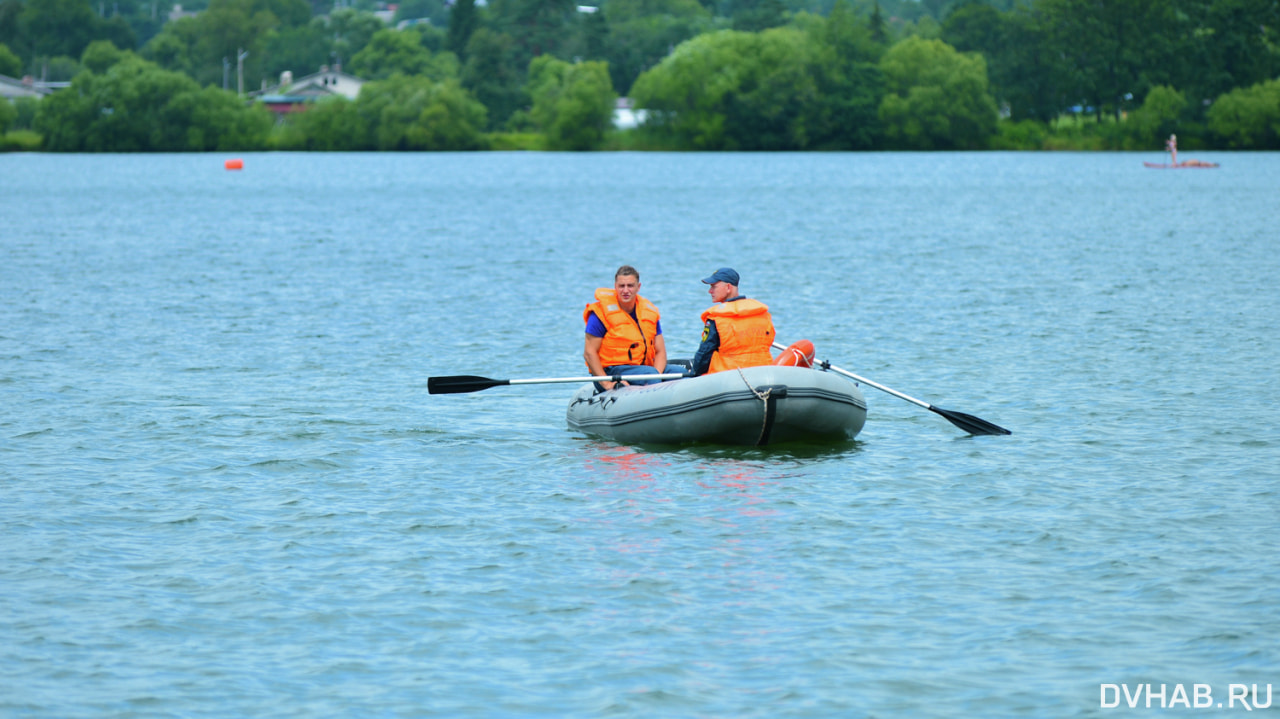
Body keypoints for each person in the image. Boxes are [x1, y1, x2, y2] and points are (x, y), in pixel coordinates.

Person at [583, 265, 668, 391]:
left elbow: (660, 351)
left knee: (681, 373)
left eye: (630, 286)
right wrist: (607, 384)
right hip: (611, 371)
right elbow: (589, 353)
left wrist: (657, 375)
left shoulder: (649, 313)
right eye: (621, 286)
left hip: (643, 368)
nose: (626, 290)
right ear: (615, 287)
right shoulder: (600, 314)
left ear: (638, 287)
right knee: (650, 376)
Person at [689, 267, 775, 377]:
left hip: (729, 377)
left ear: (728, 287)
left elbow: (704, 353)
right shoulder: (763, 314)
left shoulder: (717, 318)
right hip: (763, 374)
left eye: (713, 287)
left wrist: (693, 375)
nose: (710, 291)